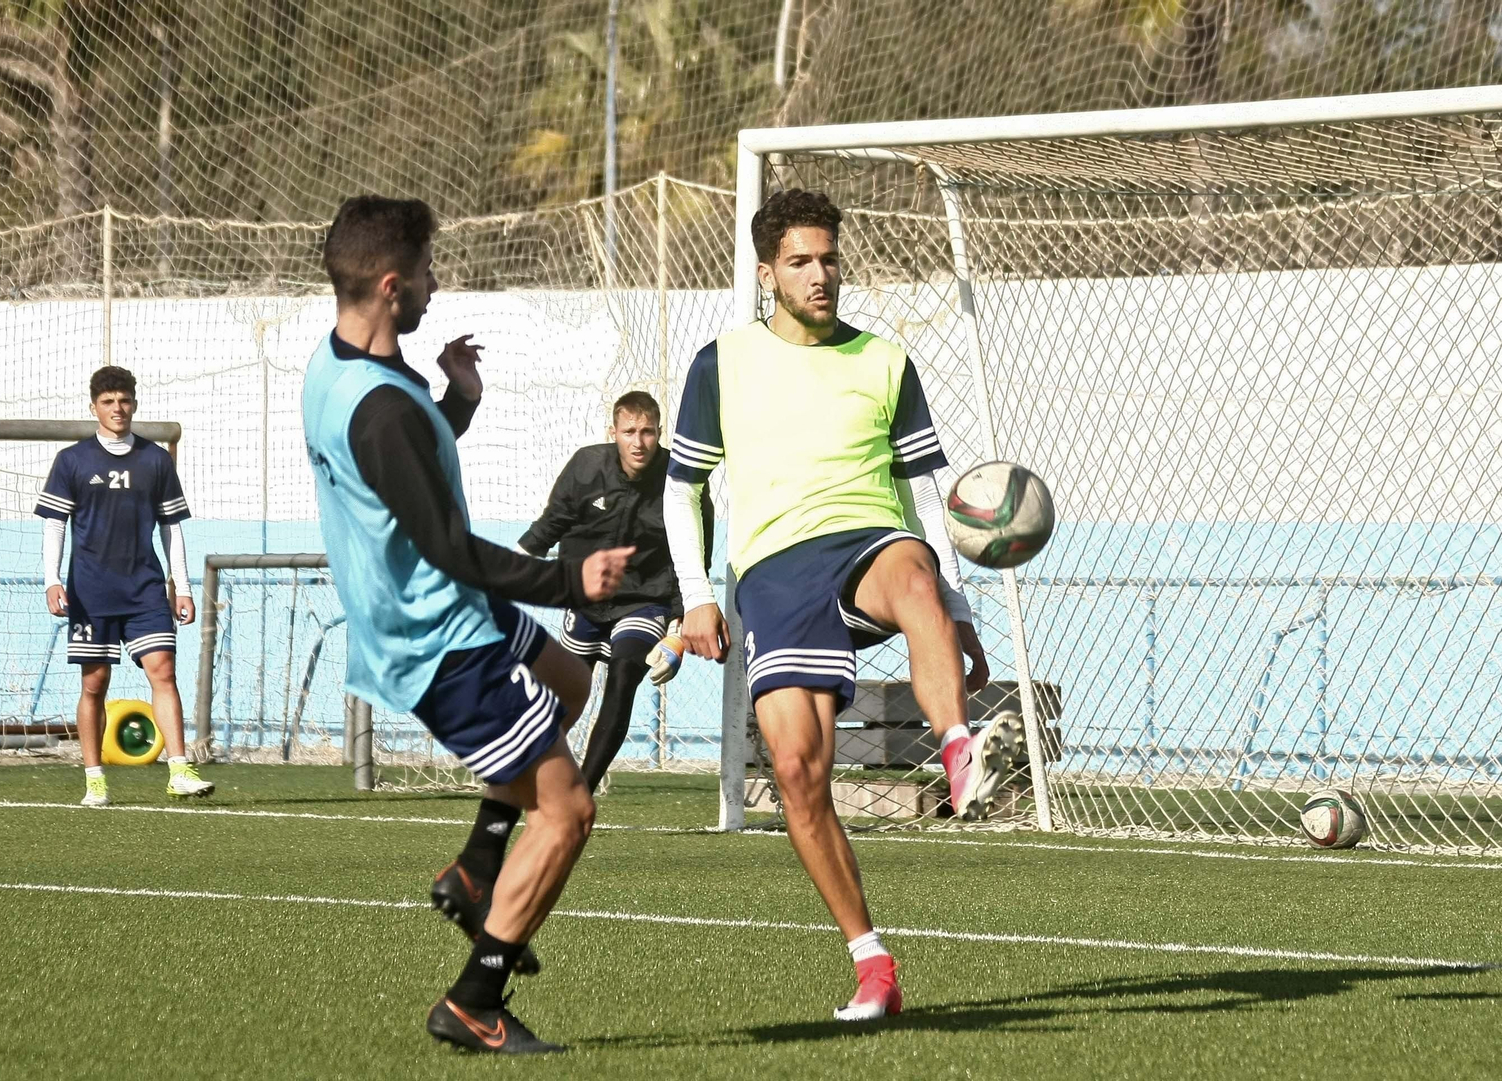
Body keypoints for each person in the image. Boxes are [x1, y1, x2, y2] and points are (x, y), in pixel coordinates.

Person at [663, 188, 1028, 1021]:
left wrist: (959, 612)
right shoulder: (722, 362)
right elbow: (683, 491)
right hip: (772, 573)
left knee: (911, 569)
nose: (821, 274)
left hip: (868, 540)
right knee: (798, 772)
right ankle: (874, 964)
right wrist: (695, 597)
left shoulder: (885, 362)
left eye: (829, 259)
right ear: (767, 273)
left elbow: (928, 500)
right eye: (800, 261)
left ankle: (961, 749)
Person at [302, 194, 632, 1055]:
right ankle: (475, 998)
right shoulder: (380, 408)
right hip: (438, 637)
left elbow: (402, 472)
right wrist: (570, 576)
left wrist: (460, 399)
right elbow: (446, 540)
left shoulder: (339, 371)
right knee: (568, 812)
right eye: (423, 274)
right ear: (388, 284)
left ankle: (478, 864)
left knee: (570, 676)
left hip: (451, 606)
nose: (434, 284)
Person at [36, 365, 215, 807]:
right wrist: (52, 580)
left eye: (125, 400)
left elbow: (172, 527)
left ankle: (179, 771)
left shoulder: (155, 459)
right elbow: (55, 524)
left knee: (164, 671)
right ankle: (95, 779)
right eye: (108, 401)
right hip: (90, 592)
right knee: (95, 683)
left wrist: (184, 586)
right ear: (94, 406)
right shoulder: (73, 460)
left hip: (146, 591)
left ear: (134, 403)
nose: (118, 409)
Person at [517, 390, 713, 791]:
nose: (638, 442)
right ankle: (533, 772)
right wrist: (505, 568)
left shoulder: (682, 479)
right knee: (565, 691)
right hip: (587, 601)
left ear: (659, 433)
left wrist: (679, 623)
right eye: (629, 432)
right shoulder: (587, 466)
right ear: (614, 432)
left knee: (624, 676)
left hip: (646, 601)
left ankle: (581, 793)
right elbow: (552, 522)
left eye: (647, 432)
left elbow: (696, 552)